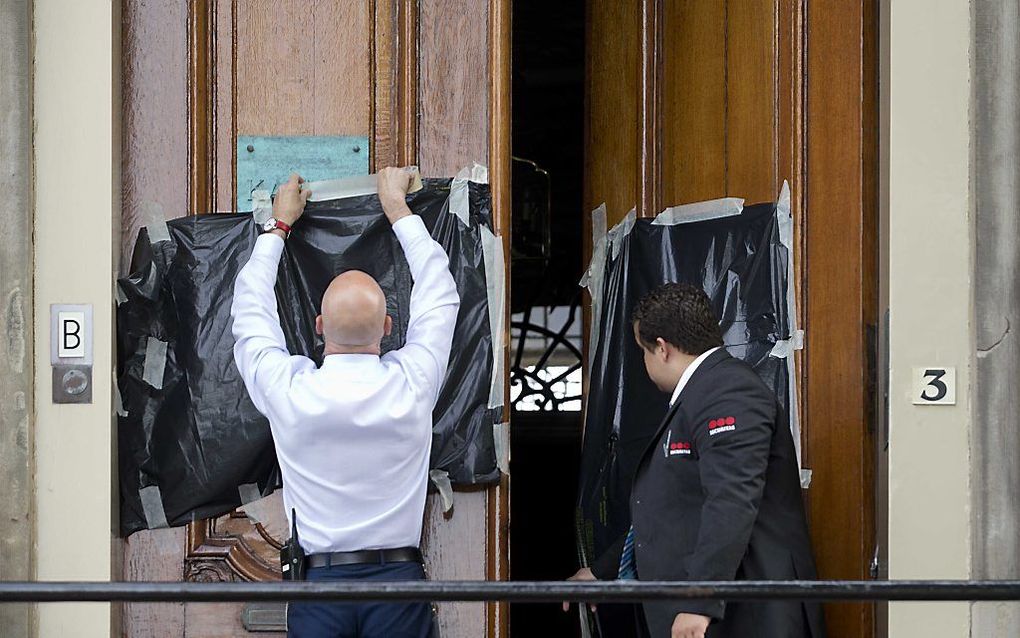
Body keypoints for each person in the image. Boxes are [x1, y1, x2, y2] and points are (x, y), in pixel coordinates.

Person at [230, 168, 460, 638]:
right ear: (389, 327)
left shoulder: (290, 391)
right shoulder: (412, 383)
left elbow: (249, 310)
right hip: (399, 588)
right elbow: (440, 293)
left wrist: (278, 227)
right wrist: (397, 208)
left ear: (318, 326)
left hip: (320, 589)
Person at [567, 283, 825, 638]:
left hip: (745, 619)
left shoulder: (728, 391)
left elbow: (731, 500)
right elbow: (675, 504)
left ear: (662, 349)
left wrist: (699, 601)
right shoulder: (703, 392)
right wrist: (602, 571)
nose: (644, 362)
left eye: (642, 351)